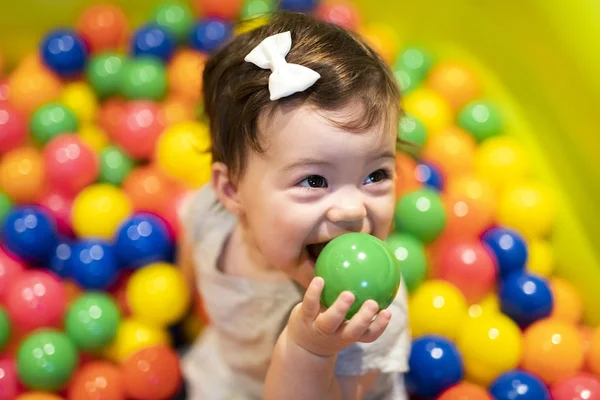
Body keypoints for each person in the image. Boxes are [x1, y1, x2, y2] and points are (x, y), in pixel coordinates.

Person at [177, 11, 410, 400]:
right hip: (230, 376)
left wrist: (311, 350)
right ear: (232, 191)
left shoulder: (367, 313)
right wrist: (180, 307)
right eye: (314, 180)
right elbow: (191, 244)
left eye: (376, 175)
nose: (353, 210)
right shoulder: (209, 216)